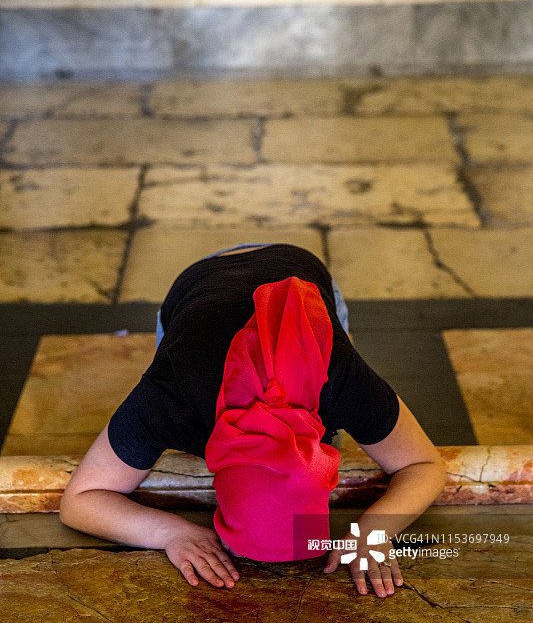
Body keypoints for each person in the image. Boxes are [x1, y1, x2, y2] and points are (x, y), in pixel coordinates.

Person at [59, 243, 447, 598]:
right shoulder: (171, 397)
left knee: (340, 417)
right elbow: (78, 503)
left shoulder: (338, 379)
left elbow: (424, 464)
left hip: (296, 274)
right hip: (198, 286)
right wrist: (171, 532)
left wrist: (372, 530)